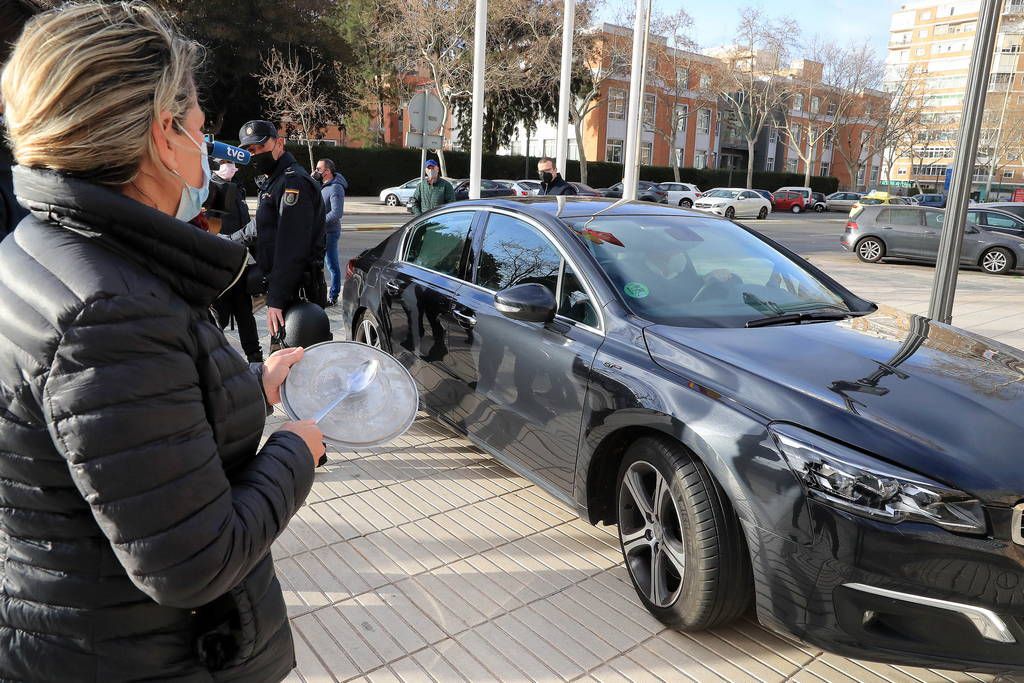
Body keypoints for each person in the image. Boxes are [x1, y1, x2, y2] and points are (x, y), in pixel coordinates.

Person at [0, 4, 325, 681]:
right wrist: (296, 448)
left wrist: (256, 390)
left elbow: (131, 440)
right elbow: (193, 560)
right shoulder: (109, 313)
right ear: (161, 133)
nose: (207, 150)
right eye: (201, 128)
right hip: (138, 653)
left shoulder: (44, 247)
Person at [239, 119, 327, 347]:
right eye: (251, 150)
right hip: (285, 292)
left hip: (297, 294)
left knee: (294, 368)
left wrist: (276, 299)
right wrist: (225, 241)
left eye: (260, 147)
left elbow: (291, 247)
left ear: (279, 143)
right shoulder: (274, 182)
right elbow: (259, 228)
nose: (256, 154)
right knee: (282, 366)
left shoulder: (293, 182)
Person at [206, 160, 263, 361]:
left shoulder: (237, 188)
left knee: (245, 314)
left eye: (231, 163)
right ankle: (215, 359)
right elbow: (211, 229)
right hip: (221, 264)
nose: (230, 167)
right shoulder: (212, 189)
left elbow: (244, 221)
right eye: (224, 163)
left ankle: (255, 357)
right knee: (219, 315)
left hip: (240, 262)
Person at [314, 158, 347, 306]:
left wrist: (318, 221)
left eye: (318, 169)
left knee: (332, 265)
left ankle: (333, 296)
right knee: (318, 263)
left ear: (327, 171)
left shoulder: (335, 188)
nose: (316, 171)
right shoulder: (323, 185)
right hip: (320, 233)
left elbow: (337, 213)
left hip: (330, 233)